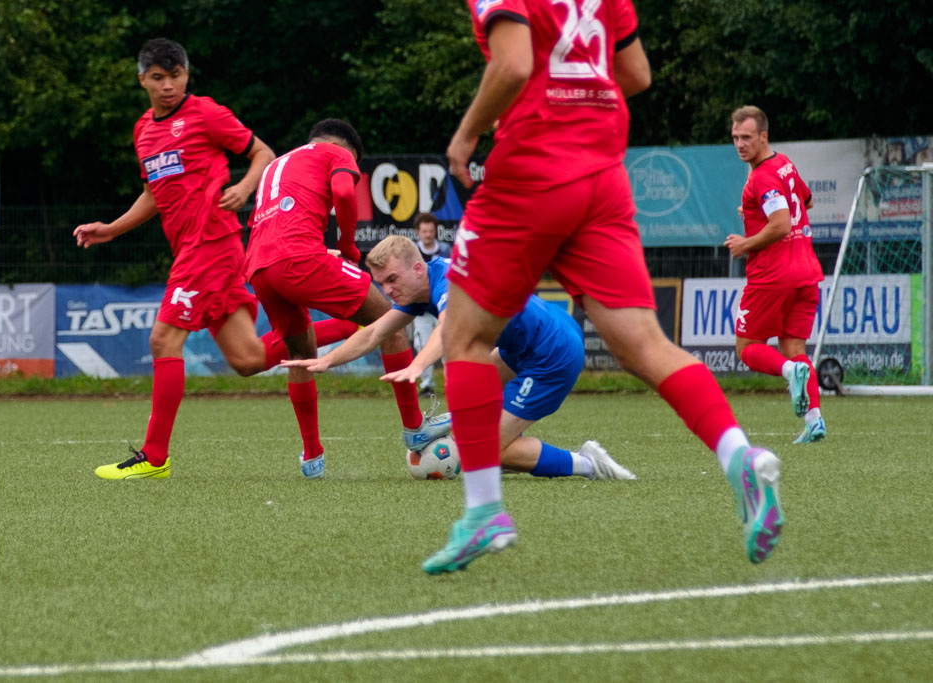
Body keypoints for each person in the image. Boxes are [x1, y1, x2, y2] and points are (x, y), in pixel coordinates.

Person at [424, 0, 785, 574]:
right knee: (645, 344)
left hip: (534, 167)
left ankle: (484, 512)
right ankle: (739, 455)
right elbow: (637, 74)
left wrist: (466, 137)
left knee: (463, 338)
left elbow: (514, 64)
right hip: (602, 172)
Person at [73, 39, 357, 480]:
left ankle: (154, 457)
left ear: (187, 74)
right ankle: (357, 322)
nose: (168, 86)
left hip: (212, 242)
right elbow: (154, 192)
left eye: (176, 76)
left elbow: (261, 152)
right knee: (247, 361)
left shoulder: (206, 113)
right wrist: (112, 228)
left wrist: (244, 188)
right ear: (142, 80)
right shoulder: (143, 131)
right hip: (192, 249)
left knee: (163, 342)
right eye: (158, 78)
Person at [283, 235, 637, 482]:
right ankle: (478, 445)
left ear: (417, 268)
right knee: (466, 392)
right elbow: (375, 332)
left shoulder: (449, 281)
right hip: (524, 344)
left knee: (486, 450)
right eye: (381, 284)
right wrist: (326, 362)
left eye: (392, 279)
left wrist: (418, 365)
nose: (387, 291)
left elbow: (450, 328)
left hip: (552, 353)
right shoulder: (420, 288)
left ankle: (588, 464)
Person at [245, 119, 451, 479]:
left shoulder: (278, 163)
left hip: (259, 267)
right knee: (392, 320)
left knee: (299, 356)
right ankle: (415, 426)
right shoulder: (337, 151)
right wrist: (346, 245)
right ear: (350, 150)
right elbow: (343, 193)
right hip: (299, 257)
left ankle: (312, 458)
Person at [725, 106, 826, 444]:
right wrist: (753, 211)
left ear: (763, 136)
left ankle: (788, 371)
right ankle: (814, 421)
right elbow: (805, 203)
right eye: (736, 137)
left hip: (773, 275)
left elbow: (781, 224)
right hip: (806, 271)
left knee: (747, 347)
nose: (740, 144)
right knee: (793, 345)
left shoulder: (761, 176)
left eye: (747, 138)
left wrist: (745, 243)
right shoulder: (784, 164)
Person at [412, 212, 452, 396]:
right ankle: (426, 385)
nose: (428, 234)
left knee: (447, 343)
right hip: (421, 307)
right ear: (418, 232)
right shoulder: (412, 252)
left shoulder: (446, 250)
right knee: (423, 345)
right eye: (424, 231)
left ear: (435, 231)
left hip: (444, 306)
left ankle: (451, 382)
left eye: (430, 231)